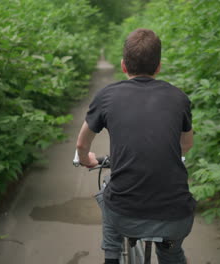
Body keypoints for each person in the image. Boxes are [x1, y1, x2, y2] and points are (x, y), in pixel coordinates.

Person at [76, 28, 196, 264]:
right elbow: (186, 144)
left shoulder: (107, 96)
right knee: (171, 252)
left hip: (124, 215)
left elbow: (82, 142)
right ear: (159, 66)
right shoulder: (178, 97)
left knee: (108, 197)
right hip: (175, 217)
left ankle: (111, 256)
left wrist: (85, 159)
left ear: (123, 65)